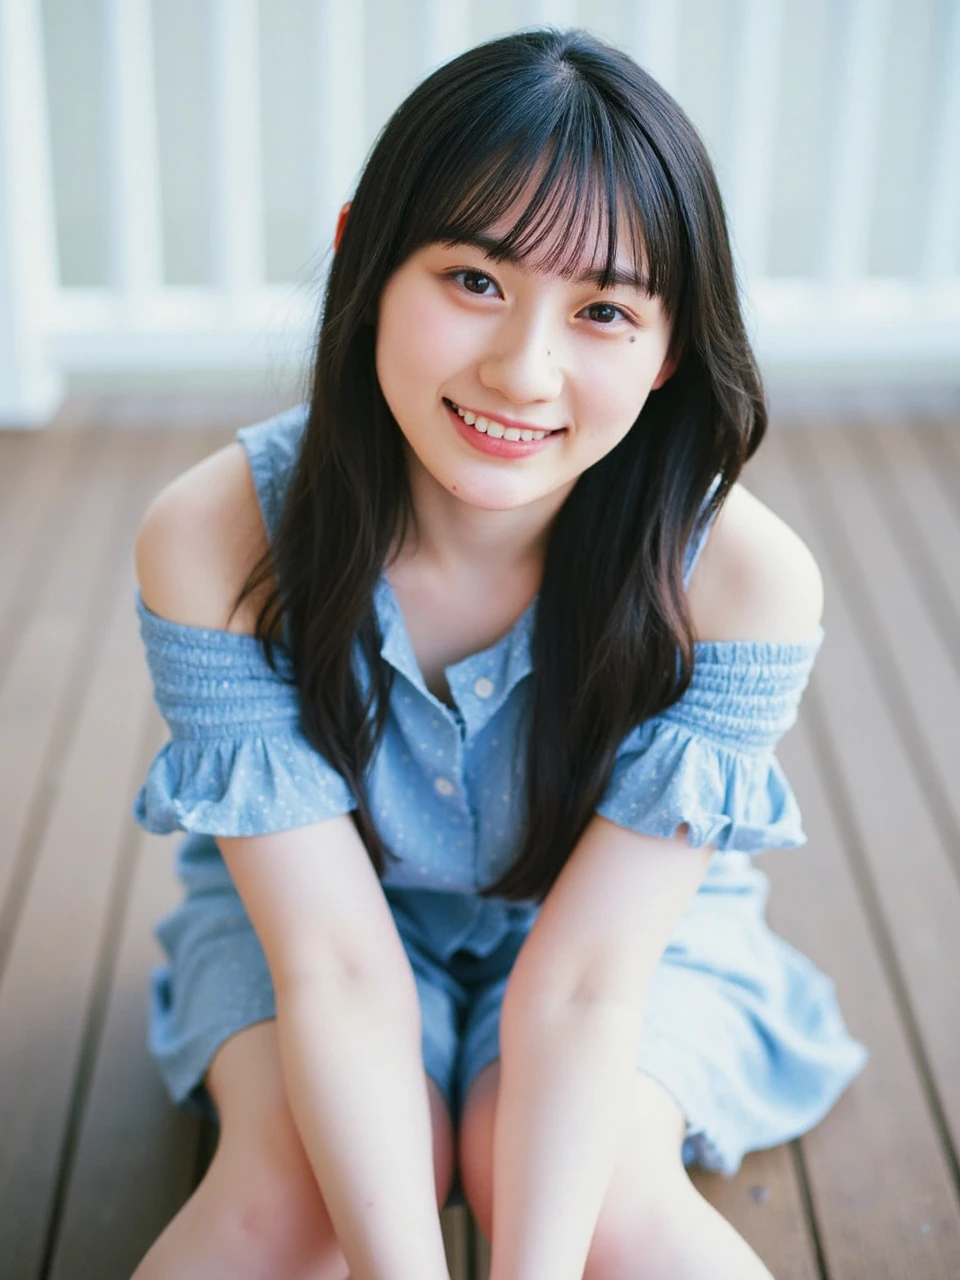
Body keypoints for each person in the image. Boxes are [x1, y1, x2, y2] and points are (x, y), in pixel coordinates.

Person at [129, 26, 867, 1280]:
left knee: (606, 1207)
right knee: (290, 1202)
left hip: (624, 941)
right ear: (364, 251)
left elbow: (587, 981)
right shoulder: (217, 535)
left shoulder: (745, 581)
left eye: (602, 310)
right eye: (475, 279)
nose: (523, 370)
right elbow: (334, 960)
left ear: (671, 343)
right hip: (308, 922)